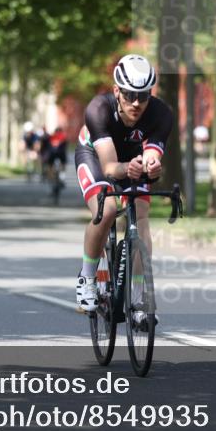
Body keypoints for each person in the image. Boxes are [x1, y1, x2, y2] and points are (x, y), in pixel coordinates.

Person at [73, 54, 172, 325]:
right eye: (129, 95)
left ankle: (139, 301)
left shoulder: (161, 113)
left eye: (144, 95)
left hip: (132, 162)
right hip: (96, 156)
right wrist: (127, 168)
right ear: (117, 91)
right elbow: (108, 167)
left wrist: (153, 167)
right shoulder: (98, 109)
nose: (137, 103)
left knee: (141, 221)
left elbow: (153, 154)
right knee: (107, 210)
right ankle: (88, 277)